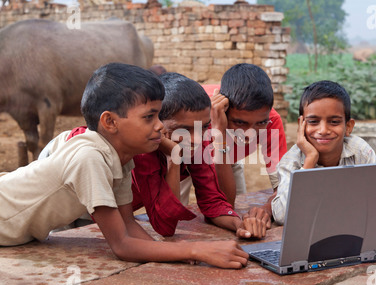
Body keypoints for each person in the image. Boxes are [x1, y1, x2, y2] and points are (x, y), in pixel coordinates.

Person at [0, 63, 248, 269]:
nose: (160, 126)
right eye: (149, 117)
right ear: (110, 122)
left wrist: (183, 255)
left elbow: (128, 225)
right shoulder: (89, 157)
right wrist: (196, 250)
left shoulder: (123, 157)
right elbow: (121, 245)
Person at [131, 72, 268, 238]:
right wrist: (174, 159)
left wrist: (240, 225)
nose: (197, 139)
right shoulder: (141, 150)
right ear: (155, 122)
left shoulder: (196, 141)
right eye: (184, 129)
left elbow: (213, 201)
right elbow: (166, 226)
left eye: (204, 127)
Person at [271, 80, 376, 224]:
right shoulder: (291, 161)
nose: (323, 130)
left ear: (348, 127)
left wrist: (324, 209)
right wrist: (310, 161)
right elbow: (282, 216)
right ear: (301, 125)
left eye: (334, 122)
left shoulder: (360, 152)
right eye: (313, 121)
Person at [202, 63, 288, 234]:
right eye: (240, 123)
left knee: (233, 215)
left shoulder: (272, 121)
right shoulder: (199, 114)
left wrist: (266, 209)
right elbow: (219, 203)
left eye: (260, 123)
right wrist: (218, 132)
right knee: (177, 217)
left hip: (227, 156)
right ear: (224, 111)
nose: (249, 135)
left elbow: (284, 188)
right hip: (186, 159)